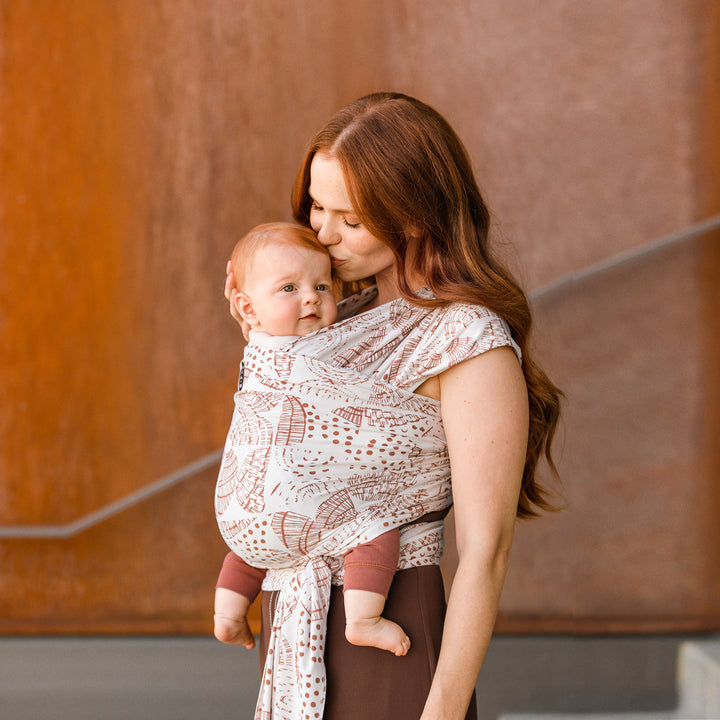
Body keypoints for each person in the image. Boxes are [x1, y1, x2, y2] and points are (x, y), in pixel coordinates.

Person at [221, 92, 561, 720]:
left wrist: (443, 711)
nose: (321, 233)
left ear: (411, 216)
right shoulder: (334, 316)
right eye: (316, 207)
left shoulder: (466, 340)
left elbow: (486, 551)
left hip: (395, 634)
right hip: (296, 624)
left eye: (348, 219)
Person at [214, 221, 411, 658]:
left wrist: (263, 317)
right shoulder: (328, 348)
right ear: (247, 308)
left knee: (251, 542)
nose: (311, 297)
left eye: (322, 285)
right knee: (375, 525)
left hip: (251, 510)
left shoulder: (259, 346)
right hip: (304, 500)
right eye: (289, 288)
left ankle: (227, 614)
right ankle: (363, 619)